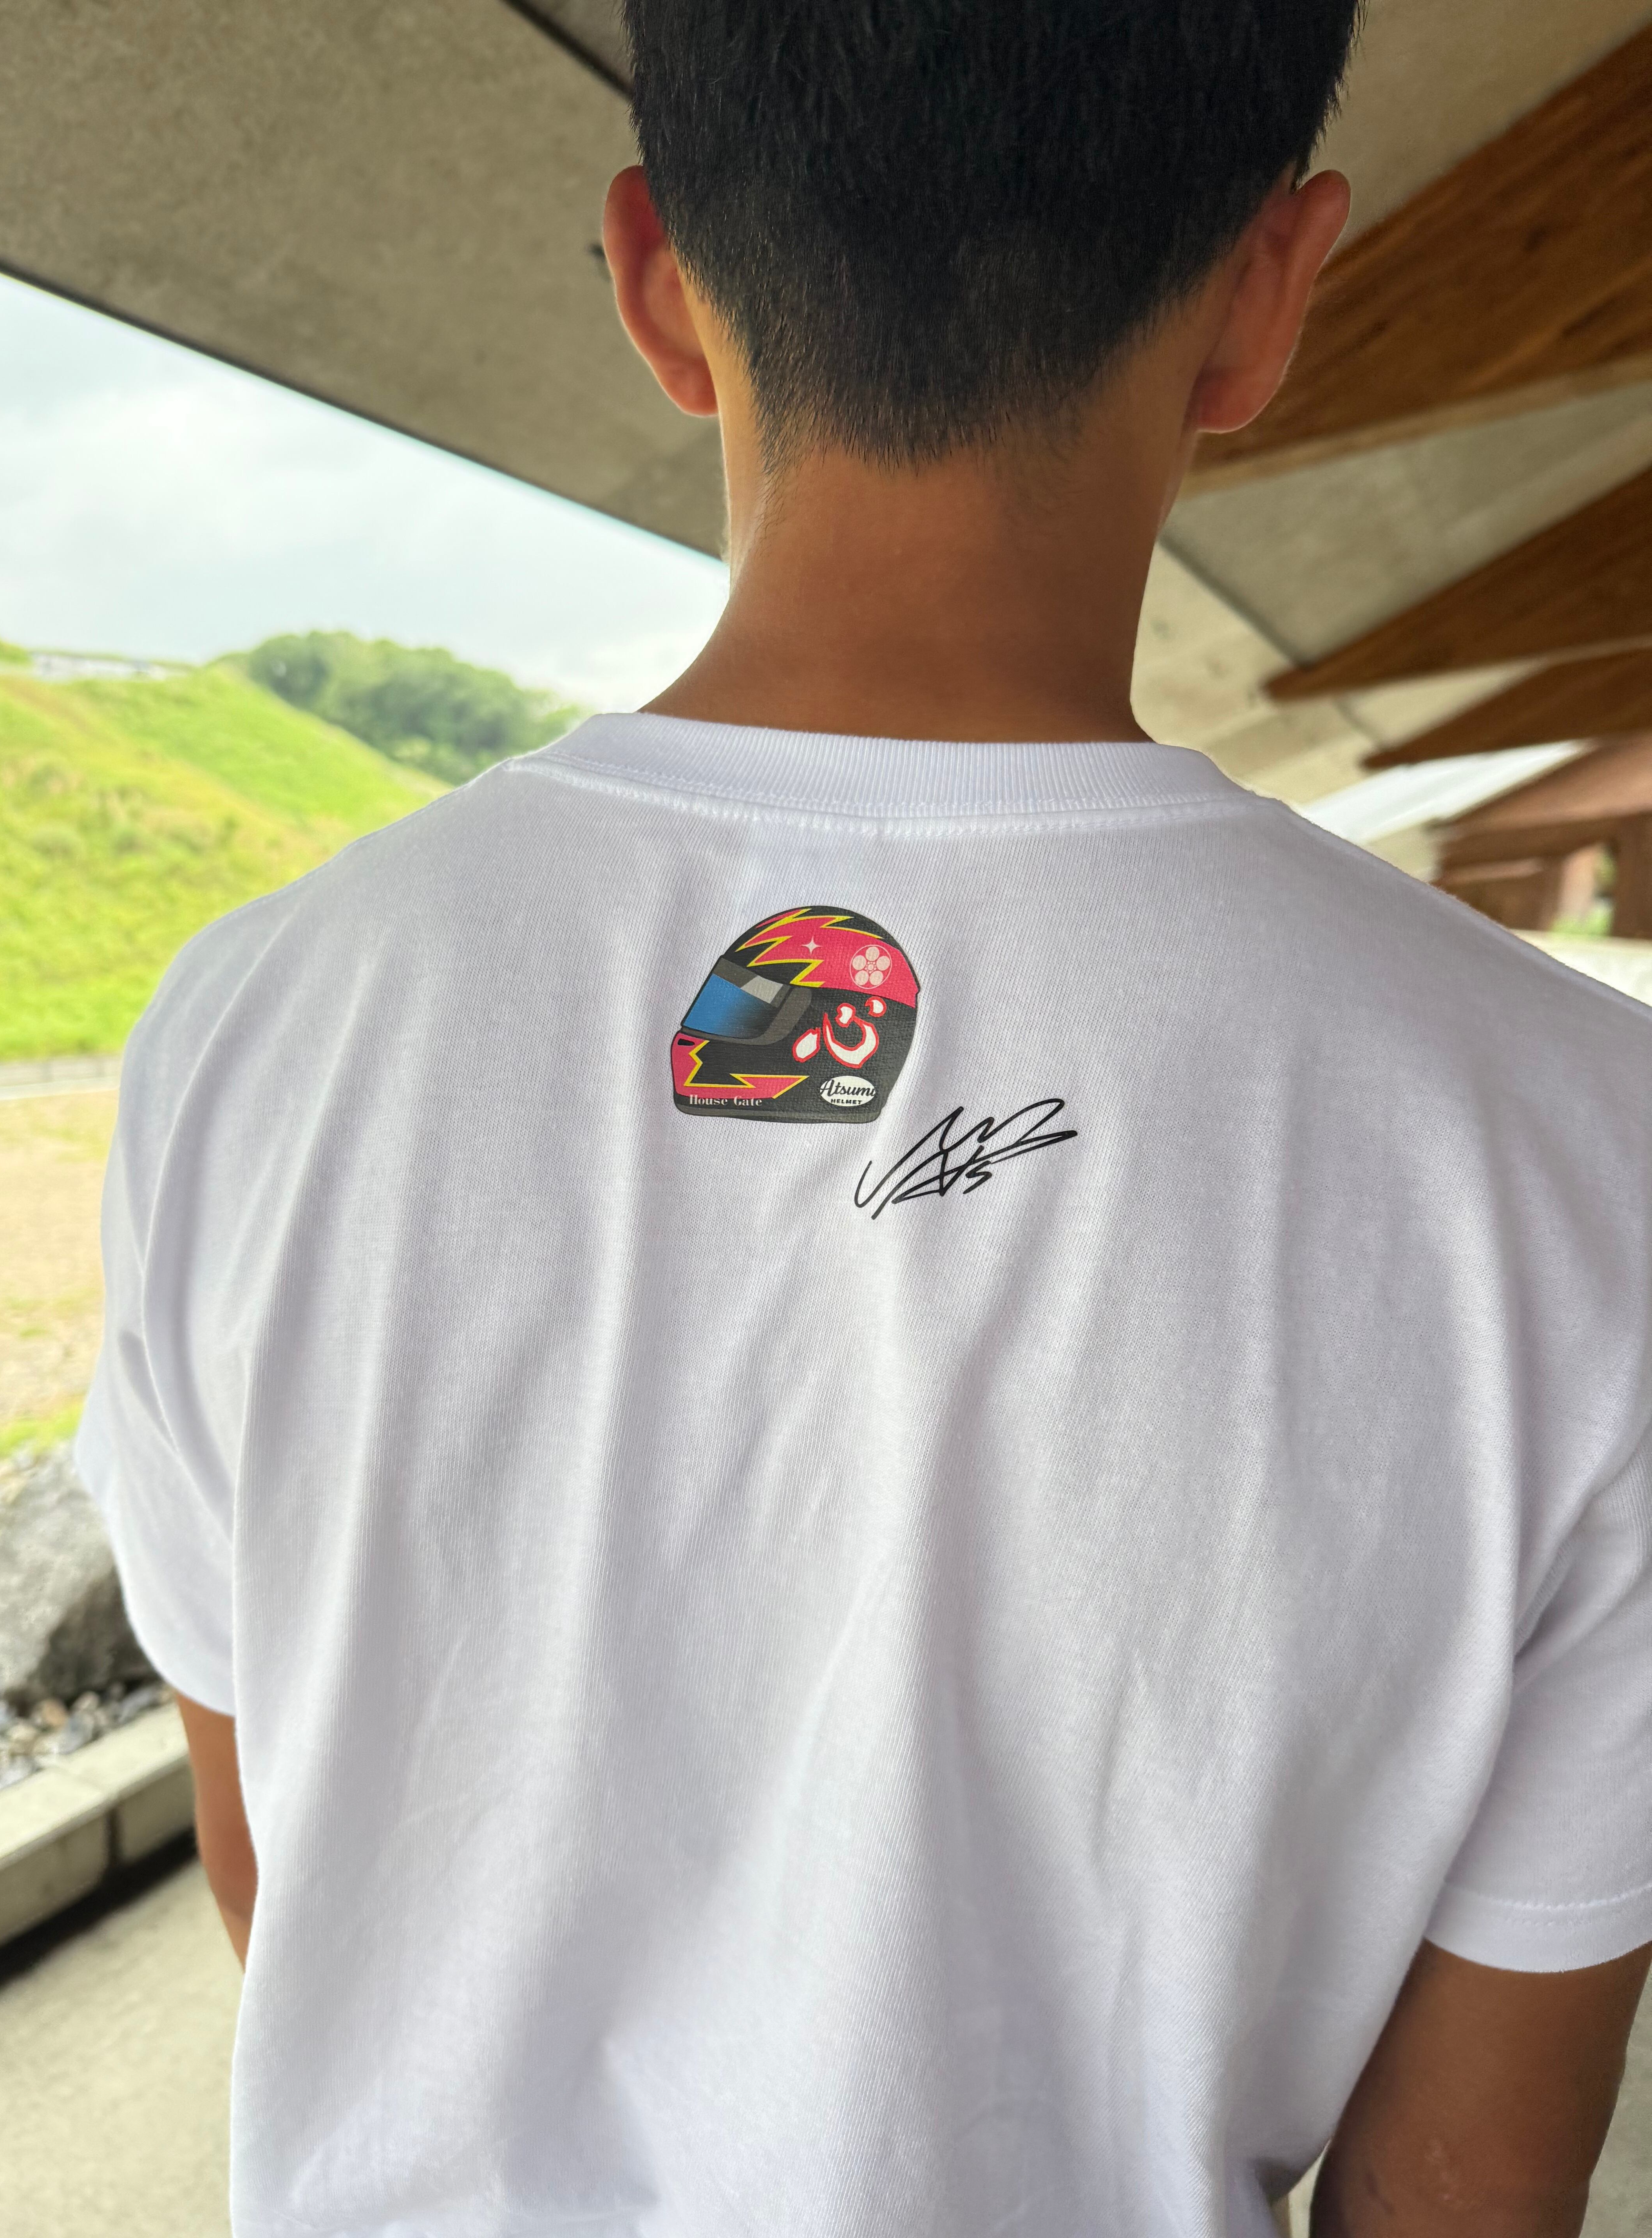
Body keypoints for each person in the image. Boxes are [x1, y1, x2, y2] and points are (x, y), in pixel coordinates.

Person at [79, 4, 1652, 2233]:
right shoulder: (1589, 1149)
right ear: (1270, 295)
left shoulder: (248, 1033)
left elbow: (307, 1899)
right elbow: (1461, 2188)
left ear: (656, 282)